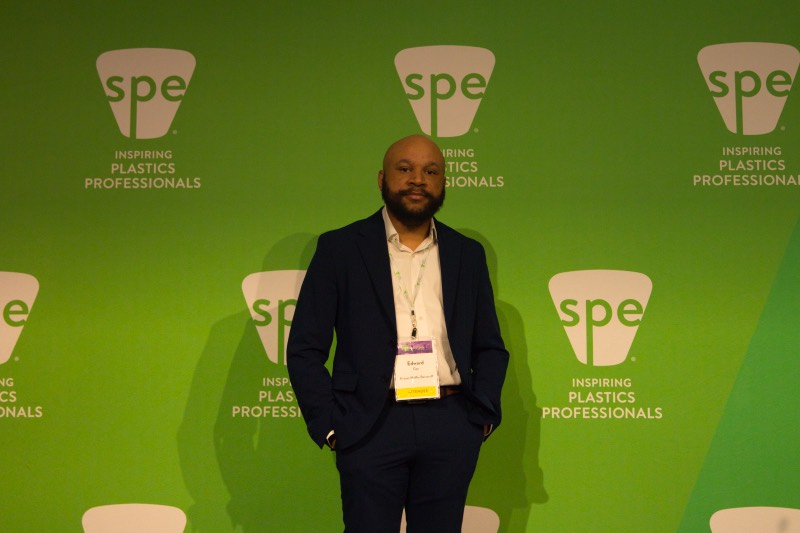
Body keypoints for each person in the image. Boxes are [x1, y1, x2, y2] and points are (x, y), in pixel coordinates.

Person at [287, 134, 509, 533]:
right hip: (370, 424)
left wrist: (481, 417)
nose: (418, 179)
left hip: (450, 421)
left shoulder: (467, 253)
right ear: (381, 179)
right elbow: (304, 347)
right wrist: (332, 427)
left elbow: (489, 346)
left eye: (431, 171)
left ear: (443, 182)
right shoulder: (340, 249)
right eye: (405, 169)